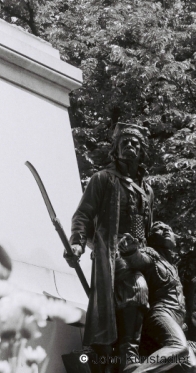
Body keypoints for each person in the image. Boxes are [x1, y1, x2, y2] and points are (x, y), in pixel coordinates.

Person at [65, 123, 154, 371]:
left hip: (142, 253)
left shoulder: (147, 190)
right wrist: (77, 244)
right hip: (112, 253)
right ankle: (128, 351)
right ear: (115, 149)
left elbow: (149, 227)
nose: (129, 146)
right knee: (138, 287)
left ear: (142, 151)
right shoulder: (102, 179)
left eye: (135, 143)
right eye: (124, 142)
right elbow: (83, 214)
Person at [119, 223, 196, 373]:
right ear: (152, 238)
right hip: (161, 313)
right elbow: (140, 259)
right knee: (179, 347)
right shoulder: (152, 255)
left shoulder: (173, 266)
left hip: (176, 320)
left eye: (169, 229)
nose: (166, 230)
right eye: (158, 229)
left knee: (191, 366)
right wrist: (131, 251)